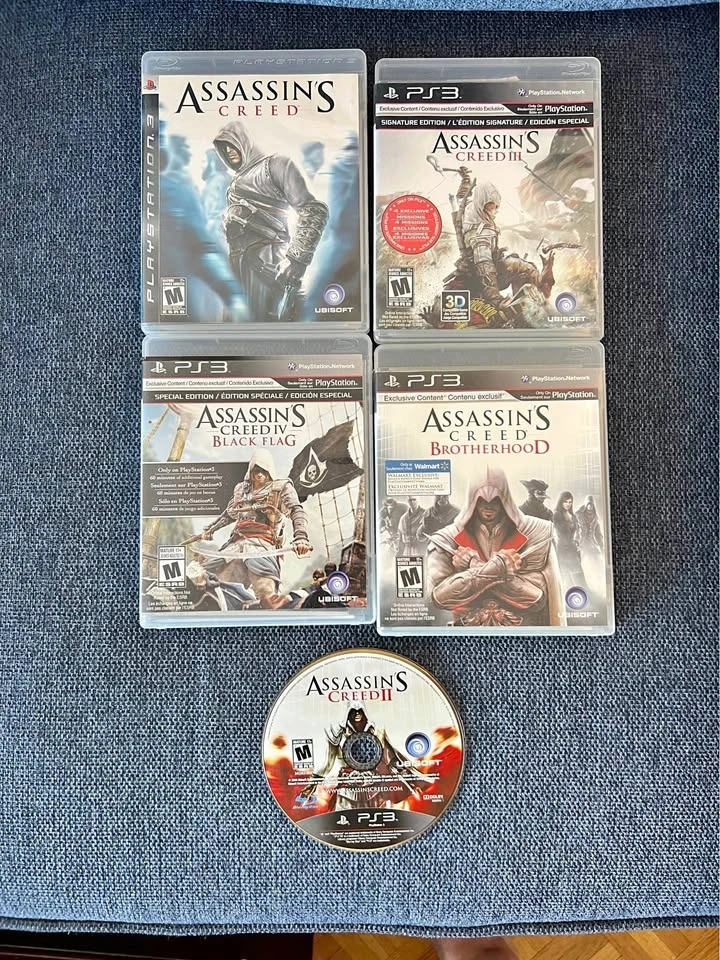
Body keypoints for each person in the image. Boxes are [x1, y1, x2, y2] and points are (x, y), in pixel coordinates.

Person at [213, 120, 329, 321]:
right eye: (224, 147)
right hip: (237, 269)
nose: (229, 151)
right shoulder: (235, 182)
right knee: (234, 335)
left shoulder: (276, 165)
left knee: (274, 326)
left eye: (232, 144)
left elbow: (313, 211)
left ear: (245, 141)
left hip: (269, 266)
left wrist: (295, 261)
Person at [426, 466, 565, 627]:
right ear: (472, 500)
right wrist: (500, 567)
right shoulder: (445, 539)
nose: (488, 506)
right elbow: (438, 598)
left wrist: (473, 565)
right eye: (481, 500)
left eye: (495, 500)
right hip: (465, 633)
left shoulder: (538, 532)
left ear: (505, 499)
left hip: (522, 633)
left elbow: (538, 598)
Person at [200, 450, 311, 609]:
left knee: (267, 597)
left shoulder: (280, 488)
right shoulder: (241, 490)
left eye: (263, 470)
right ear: (250, 471)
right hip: (235, 546)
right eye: (256, 470)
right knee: (216, 588)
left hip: (261, 546)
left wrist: (301, 537)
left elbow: (296, 510)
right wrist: (211, 529)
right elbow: (230, 513)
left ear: (269, 471)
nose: (259, 474)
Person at [459, 179, 555, 328]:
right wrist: (497, 300)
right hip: (479, 279)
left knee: (522, 265)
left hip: (486, 270)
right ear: (482, 204)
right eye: (491, 205)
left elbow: (464, 198)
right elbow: (485, 267)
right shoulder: (481, 235)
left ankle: (535, 298)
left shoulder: (473, 210)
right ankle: (518, 314)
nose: (495, 209)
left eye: (496, 205)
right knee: (522, 267)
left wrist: (465, 180)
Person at [552, 491, 586, 589]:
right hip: (562, 549)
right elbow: (556, 530)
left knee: (578, 575)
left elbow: (577, 532)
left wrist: (577, 541)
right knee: (565, 577)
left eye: (570, 502)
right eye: (565, 501)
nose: (568, 504)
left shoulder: (573, 516)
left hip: (572, 548)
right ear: (561, 502)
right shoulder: (556, 515)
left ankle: (584, 592)